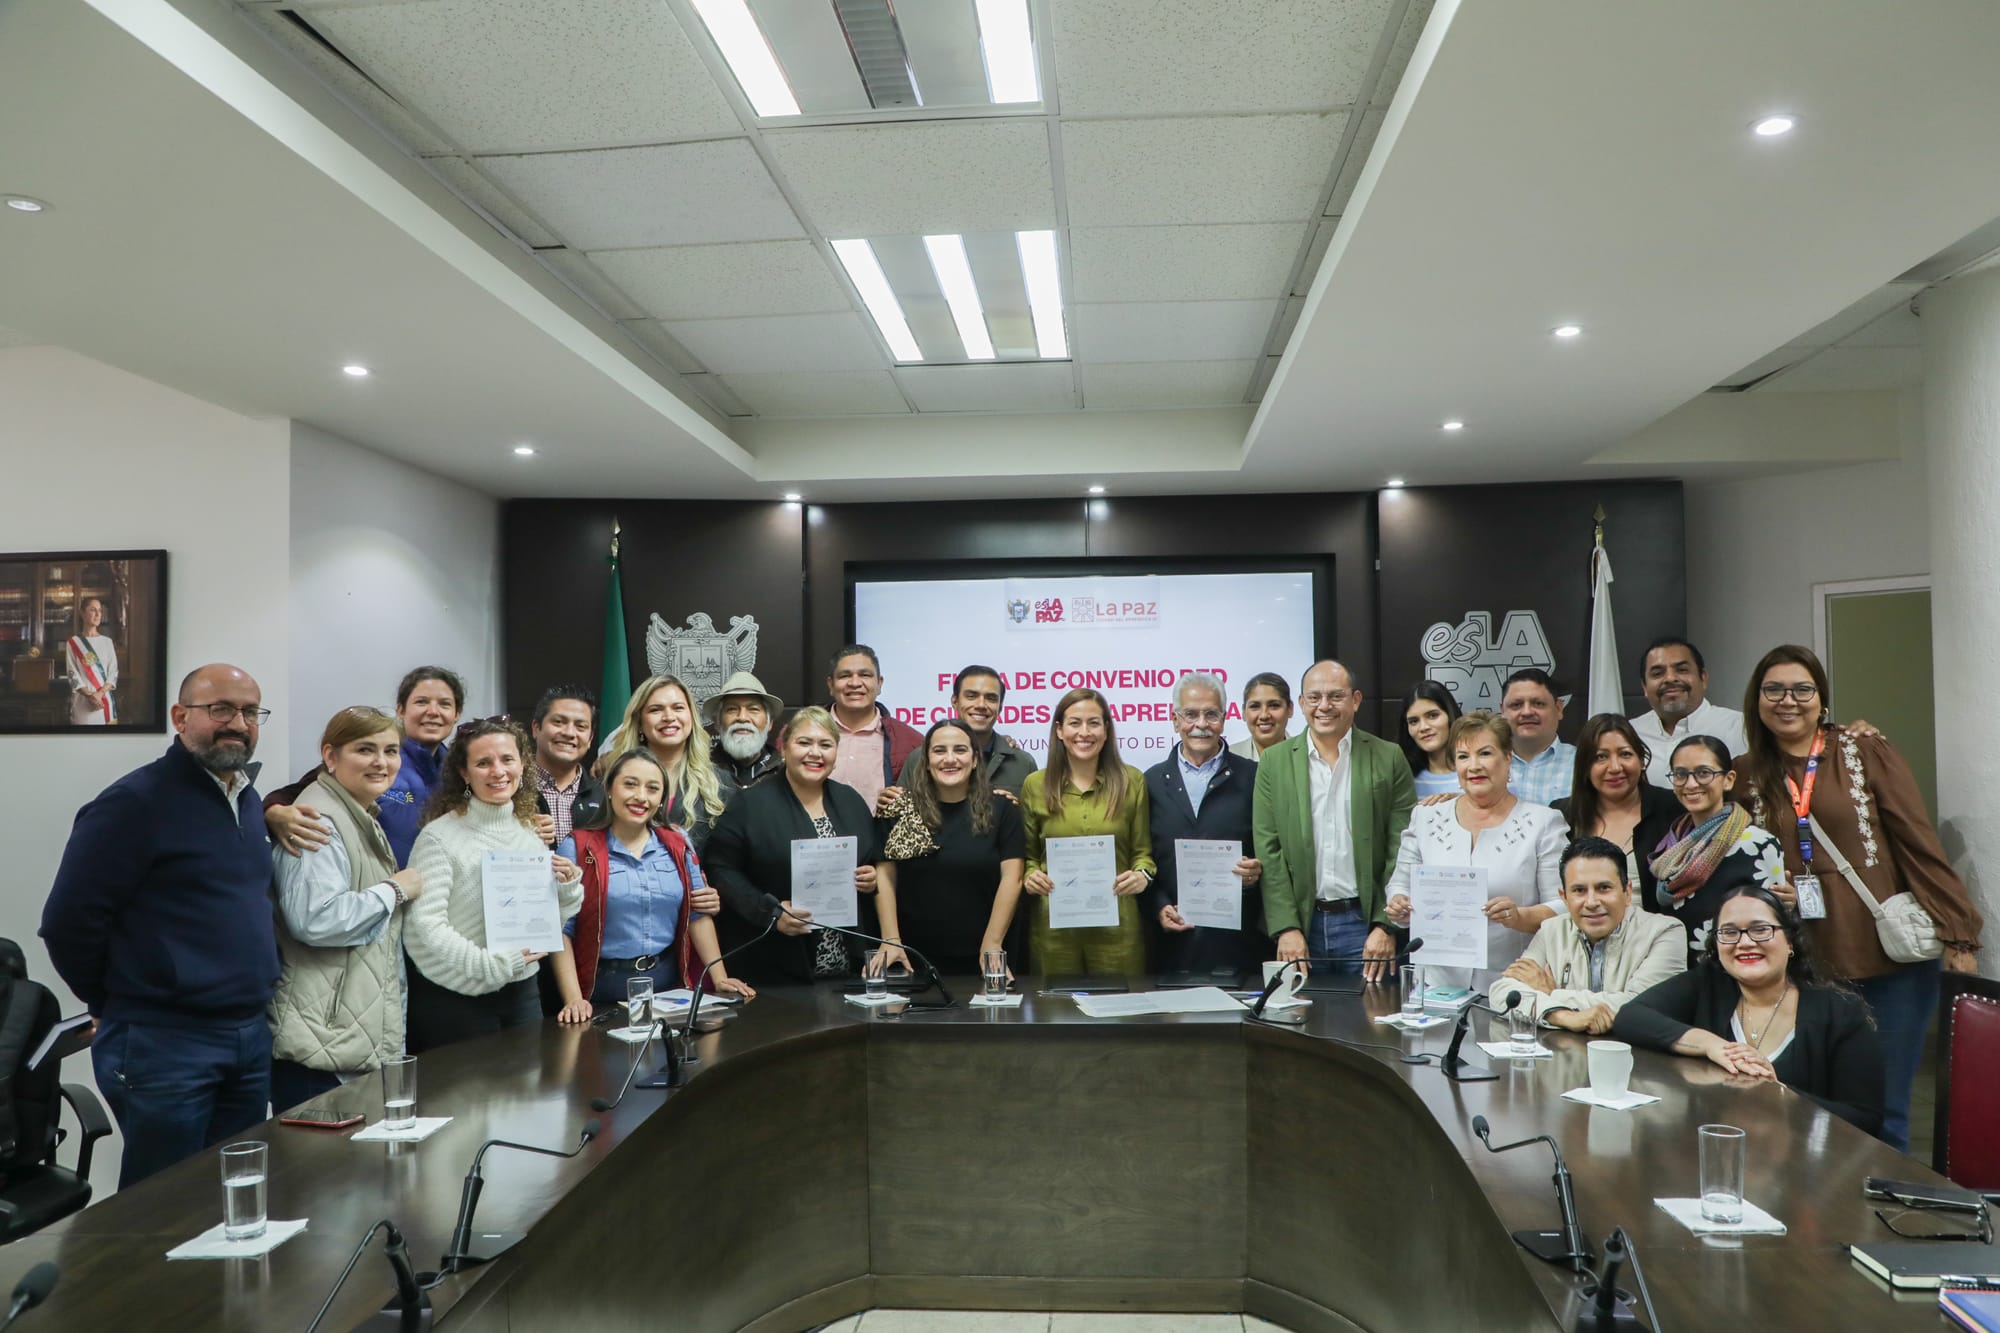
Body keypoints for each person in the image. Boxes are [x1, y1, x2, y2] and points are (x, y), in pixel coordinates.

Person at [1735, 644, 1983, 1151]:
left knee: (1886, 1106)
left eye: (1802, 689)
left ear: (1821, 699)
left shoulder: (1861, 749)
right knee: (1813, 1102)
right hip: (1806, 962)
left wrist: (1959, 931)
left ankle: (1887, 1222)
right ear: (1756, 701)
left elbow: (1916, 839)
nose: (1789, 700)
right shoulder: (1745, 773)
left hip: (1888, 957)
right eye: (1774, 689)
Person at [41, 664, 280, 1187]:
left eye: (249, 711)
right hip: (164, 1043)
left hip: (247, 1038)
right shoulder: (134, 803)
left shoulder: (246, 799)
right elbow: (66, 923)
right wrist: (113, 1001)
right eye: (220, 709)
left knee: (232, 1200)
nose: (237, 722)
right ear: (181, 716)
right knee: (162, 1208)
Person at [1614, 885, 1886, 1136]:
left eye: (1760, 929)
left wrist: (1779, 1095)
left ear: (1790, 941)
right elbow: (1631, 1017)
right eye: (1730, 932)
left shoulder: (1841, 1012)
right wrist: (1713, 1046)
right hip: (1716, 1155)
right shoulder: (1708, 983)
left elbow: (1866, 1119)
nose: (1744, 943)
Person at [267, 706, 424, 1112]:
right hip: (321, 1047)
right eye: (365, 749)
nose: (381, 762)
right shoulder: (318, 819)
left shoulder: (357, 813)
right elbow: (316, 919)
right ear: (331, 756)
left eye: (391, 751)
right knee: (320, 1172)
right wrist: (395, 890)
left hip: (343, 1039)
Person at [402, 718, 583, 1051]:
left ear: (522, 765)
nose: (497, 771)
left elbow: (543, 925)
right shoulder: (439, 837)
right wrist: (489, 966)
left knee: (525, 1096)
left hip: (522, 990)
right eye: (483, 763)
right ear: (464, 773)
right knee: (467, 1101)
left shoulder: (528, 833)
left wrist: (567, 889)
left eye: (507, 760)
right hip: (457, 997)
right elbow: (425, 926)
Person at [549, 749, 750, 1017]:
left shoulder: (678, 844)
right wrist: (574, 999)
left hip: (669, 988)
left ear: (661, 799)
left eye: (652, 788)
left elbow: (697, 914)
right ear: (609, 788)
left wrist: (719, 976)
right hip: (600, 990)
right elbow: (561, 928)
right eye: (630, 784)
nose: (640, 797)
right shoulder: (577, 847)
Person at [1254, 660, 1416, 980]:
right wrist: (1286, 927)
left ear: (1355, 700)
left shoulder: (1388, 757)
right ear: (1301, 704)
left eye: (1335, 696)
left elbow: (1403, 846)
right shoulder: (1274, 762)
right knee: (1296, 1024)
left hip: (1366, 925)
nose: (1324, 706)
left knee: (1373, 1024)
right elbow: (1268, 849)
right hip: (1301, 925)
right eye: (1314, 697)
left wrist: (1386, 925)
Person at [1385, 712, 1567, 990]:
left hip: (1511, 982)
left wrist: (1519, 917)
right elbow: (1399, 883)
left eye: (1485, 753)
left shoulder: (1543, 822)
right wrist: (1399, 902)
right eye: (1463, 757)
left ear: (1508, 758)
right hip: (1435, 984)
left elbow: (1563, 907)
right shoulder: (1426, 817)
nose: (1474, 766)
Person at [705, 708, 882, 986]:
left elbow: (873, 861)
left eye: (826, 745)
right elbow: (720, 868)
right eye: (804, 743)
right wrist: (769, 913)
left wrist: (871, 879)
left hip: (849, 972)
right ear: (784, 747)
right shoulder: (750, 805)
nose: (815, 753)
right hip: (776, 968)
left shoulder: (851, 801)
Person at [871, 719, 1026, 977]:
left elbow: (1013, 877)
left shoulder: (1002, 809)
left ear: (975, 760)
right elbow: (884, 876)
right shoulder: (898, 809)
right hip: (912, 956)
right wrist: (891, 939)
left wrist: (992, 944)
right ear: (926, 760)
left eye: (960, 750)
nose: (950, 759)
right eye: (939, 750)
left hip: (986, 957)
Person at [265, 665, 466, 864]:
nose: (433, 711)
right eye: (421, 702)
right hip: (379, 888)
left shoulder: (460, 771)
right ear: (401, 710)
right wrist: (273, 811)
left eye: (445, 704)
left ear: (457, 714)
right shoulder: (375, 761)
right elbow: (296, 793)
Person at [1021, 688, 1157, 976]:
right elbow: (1028, 857)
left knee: (1122, 1016)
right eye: (1074, 723)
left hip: (1117, 928)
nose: (1084, 732)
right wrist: (1030, 876)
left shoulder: (1132, 780)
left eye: (1094, 723)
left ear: (1106, 730)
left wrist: (1141, 876)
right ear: (1059, 730)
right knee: (1056, 1015)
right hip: (1054, 930)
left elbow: (1143, 854)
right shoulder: (1035, 784)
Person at [1489, 837, 1686, 1032]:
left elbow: (1641, 1007)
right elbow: (1502, 992)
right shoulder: (1551, 930)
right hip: (1564, 1057)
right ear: (1564, 897)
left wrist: (1550, 994)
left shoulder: (1665, 932)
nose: (1591, 902)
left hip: (1642, 1058)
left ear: (1627, 892)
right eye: (1579, 890)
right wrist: (1563, 1016)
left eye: (1604, 888)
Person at [1146, 672, 1265, 977]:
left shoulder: (1254, 777)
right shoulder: (1151, 782)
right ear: (1175, 720)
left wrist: (1256, 874)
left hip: (1238, 946)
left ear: (1224, 720)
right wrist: (1159, 906)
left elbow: (1272, 851)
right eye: (1190, 714)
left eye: (1211, 714)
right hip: (1171, 946)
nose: (1201, 724)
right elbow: (1143, 855)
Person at [1646, 735, 1790, 966]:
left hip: (1737, 974)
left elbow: (1771, 928)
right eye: (1681, 774)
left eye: (1704, 773)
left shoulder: (1758, 844)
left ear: (1728, 780)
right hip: (1677, 973)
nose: (1691, 784)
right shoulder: (1671, 845)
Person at [1551, 714, 1681, 903]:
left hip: (1657, 929)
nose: (1614, 767)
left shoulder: (1672, 808)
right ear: (1585, 766)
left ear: (1641, 760)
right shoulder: (1563, 814)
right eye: (1600, 757)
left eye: (1625, 754)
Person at [596, 674, 728, 850]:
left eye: (678, 708)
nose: (668, 717)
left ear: (691, 717)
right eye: (656, 710)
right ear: (640, 723)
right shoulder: (611, 776)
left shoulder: (721, 784)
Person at [888, 665, 1038, 800]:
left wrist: (1014, 811)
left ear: (1000, 707)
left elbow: (1033, 823)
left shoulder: (1022, 763)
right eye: (971, 696)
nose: (981, 705)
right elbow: (902, 819)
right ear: (955, 701)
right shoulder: (920, 758)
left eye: (991, 698)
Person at [1629, 637, 1748, 789]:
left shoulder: (1741, 728)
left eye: (1682, 670)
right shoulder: (1630, 735)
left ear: (1703, 678)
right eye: (1658, 673)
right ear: (1644, 687)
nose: (1670, 678)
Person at [826, 644, 923, 812]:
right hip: (812, 836)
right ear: (831, 684)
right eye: (844, 676)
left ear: (879, 683)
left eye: (865, 675)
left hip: (883, 836)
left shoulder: (912, 742)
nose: (855, 683)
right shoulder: (799, 736)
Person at [531, 685, 604, 846]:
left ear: (590, 739)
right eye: (559, 722)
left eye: (581, 726)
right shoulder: (509, 788)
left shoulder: (605, 796)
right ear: (536, 728)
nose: (569, 733)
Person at [704, 670, 785, 802]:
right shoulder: (701, 770)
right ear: (717, 723)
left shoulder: (785, 773)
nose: (742, 718)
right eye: (732, 709)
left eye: (753, 709)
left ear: (769, 723)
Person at [1501, 668, 1575, 806]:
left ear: (1559, 709)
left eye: (1538, 703)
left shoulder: (1584, 764)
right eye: (1516, 705)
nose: (1527, 712)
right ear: (1502, 712)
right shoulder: (1484, 764)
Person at [1396, 680, 1463, 798]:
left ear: (1450, 714)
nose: (1423, 727)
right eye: (1414, 721)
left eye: (1432, 715)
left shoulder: (1477, 772)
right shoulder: (1402, 780)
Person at [65, 596, 118, 725]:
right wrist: (90, 695)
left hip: (103, 701)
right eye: (93, 610)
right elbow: (73, 674)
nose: (98, 614)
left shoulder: (107, 642)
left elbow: (113, 673)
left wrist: (99, 694)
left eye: (100, 610)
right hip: (83, 703)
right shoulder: (73, 643)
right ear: (82, 613)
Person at [1231, 672, 1296, 761]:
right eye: (1255, 706)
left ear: (1290, 709)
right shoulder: (1229, 758)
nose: (1264, 715)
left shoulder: (1308, 755)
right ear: (1243, 712)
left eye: (1274, 705)